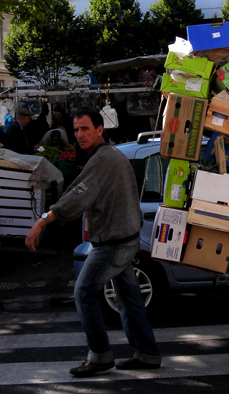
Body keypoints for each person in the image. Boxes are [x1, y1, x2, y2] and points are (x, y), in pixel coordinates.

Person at [25, 107, 161, 377]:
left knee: (84, 293)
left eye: (85, 129)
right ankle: (147, 354)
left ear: (100, 130)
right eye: (76, 130)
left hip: (113, 243)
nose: (79, 135)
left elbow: (77, 196)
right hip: (124, 239)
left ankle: (100, 356)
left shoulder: (103, 160)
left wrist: (43, 220)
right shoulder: (109, 155)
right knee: (130, 299)